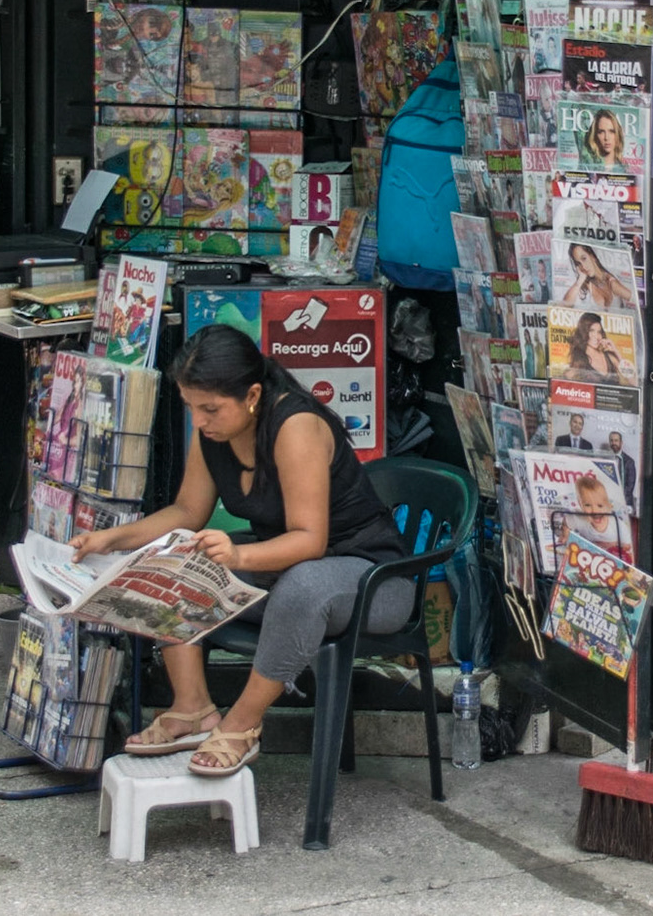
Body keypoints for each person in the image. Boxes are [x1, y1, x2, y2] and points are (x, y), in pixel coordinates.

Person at [70, 325, 413, 776]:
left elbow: (309, 540)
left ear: (252, 395)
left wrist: (237, 557)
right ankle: (192, 706)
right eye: (191, 407)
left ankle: (243, 723)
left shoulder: (295, 426)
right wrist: (111, 539)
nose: (199, 420)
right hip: (285, 568)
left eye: (210, 409)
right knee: (169, 563)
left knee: (303, 587)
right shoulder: (212, 433)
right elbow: (189, 510)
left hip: (372, 578)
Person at [562, 243, 634, 311]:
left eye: (584, 258)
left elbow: (637, 301)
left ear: (592, 256)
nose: (583, 266)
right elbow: (564, 307)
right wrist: (579, 282)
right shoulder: (585, 284)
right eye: (578, 263)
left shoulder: (611, 283)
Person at [565, 312, 626, 384]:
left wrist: (616, 351)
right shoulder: (580, 360)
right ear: (583, 332)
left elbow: (633, 381)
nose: (596, 336)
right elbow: (566, 383)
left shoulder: (609, 357)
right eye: (591, 331)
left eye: (599, 332)